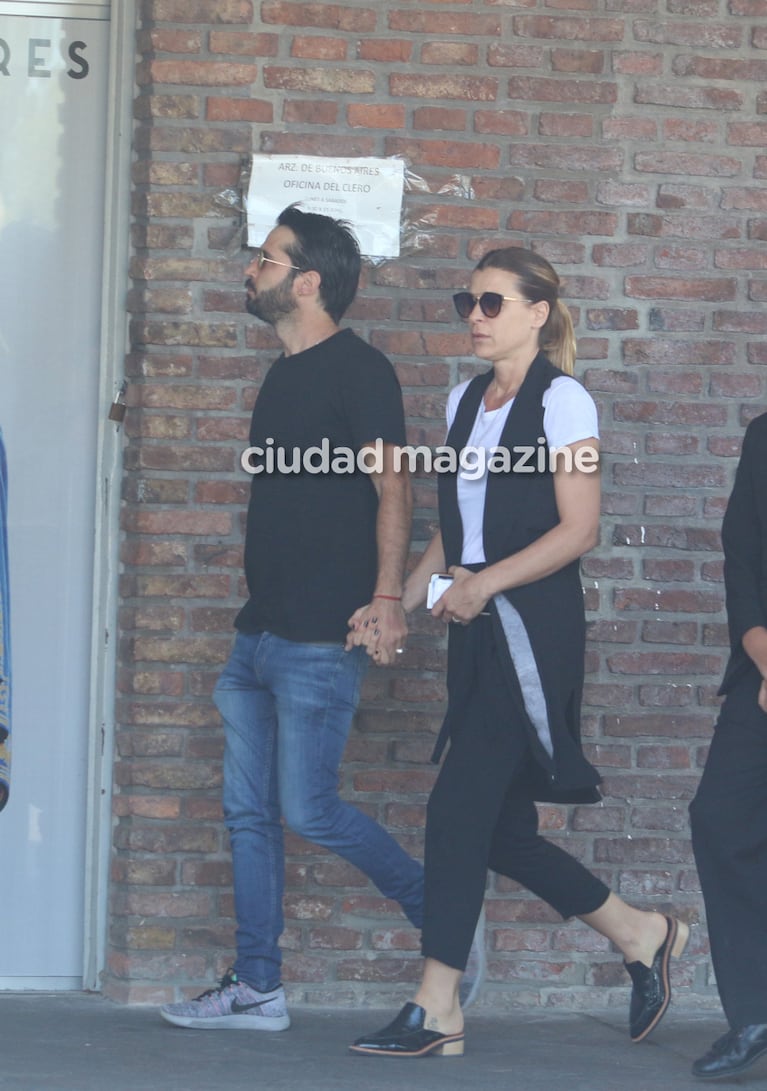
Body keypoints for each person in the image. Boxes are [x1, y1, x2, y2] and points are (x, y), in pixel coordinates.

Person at [350, 246, 688, 1059]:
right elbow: (451, 531)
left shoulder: (564, 401)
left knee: (454, 810)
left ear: (537, 313)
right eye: (467, 301)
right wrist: (394, 597)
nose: (474, 314)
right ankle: (641, 930)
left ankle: (437, 1006)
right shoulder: (464, 401)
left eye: (492, 303)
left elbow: (579, 529)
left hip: (532, 634)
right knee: (496, 830)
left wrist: (484, 585)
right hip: (477, 633)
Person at [160, 205, 425, 1031]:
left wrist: (386, 600)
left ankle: (444, 919)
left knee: (308, 810)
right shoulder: (280, 374)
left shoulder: (361, 371)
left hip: (320, 635)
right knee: (248, 814)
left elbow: (396, 488)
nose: (252, 268)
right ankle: (258, 985)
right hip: (257, 633)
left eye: (267, 259)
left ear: (307, 281)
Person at [688, 412, 767, 1081]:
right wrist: (760, 649)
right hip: (763, 666)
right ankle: (753, 1011)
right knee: (719, 816)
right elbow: (740, 552)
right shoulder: (763, 433)